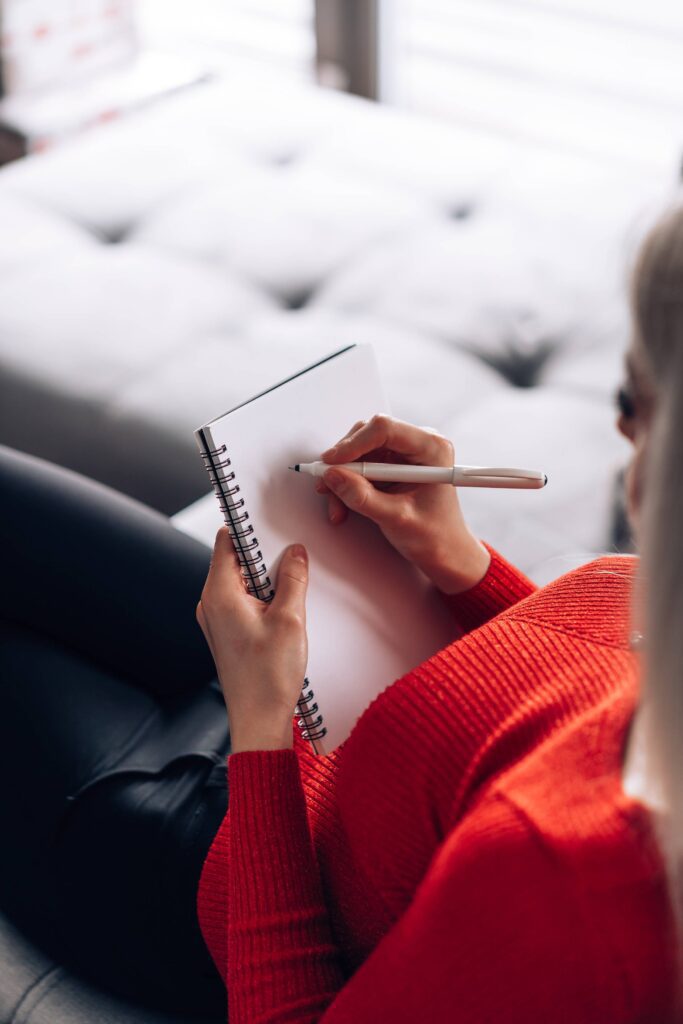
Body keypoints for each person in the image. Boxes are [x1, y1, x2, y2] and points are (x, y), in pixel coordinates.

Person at [194, 202, 683, 1022]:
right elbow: (578, 702)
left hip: (221, 851)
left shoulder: (559, 877)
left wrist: (260, 729)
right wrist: (461, 565)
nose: (617, 428)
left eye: (631, 400)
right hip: (308, 728)